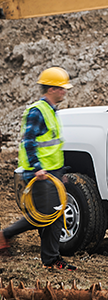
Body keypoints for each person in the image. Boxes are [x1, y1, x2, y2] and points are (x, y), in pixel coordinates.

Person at [0, 67, 77, 270]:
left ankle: (51, 259)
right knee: (43, 216)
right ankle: (6, 235)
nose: (65, 91)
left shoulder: (51, 111)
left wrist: (60, 173)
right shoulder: (37, 111)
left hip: (52, 172)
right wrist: (37, 169)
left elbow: (52, 145)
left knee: (54, 216)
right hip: (41, 174)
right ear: (52, 89)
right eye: (62, 88)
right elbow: (29, 141)